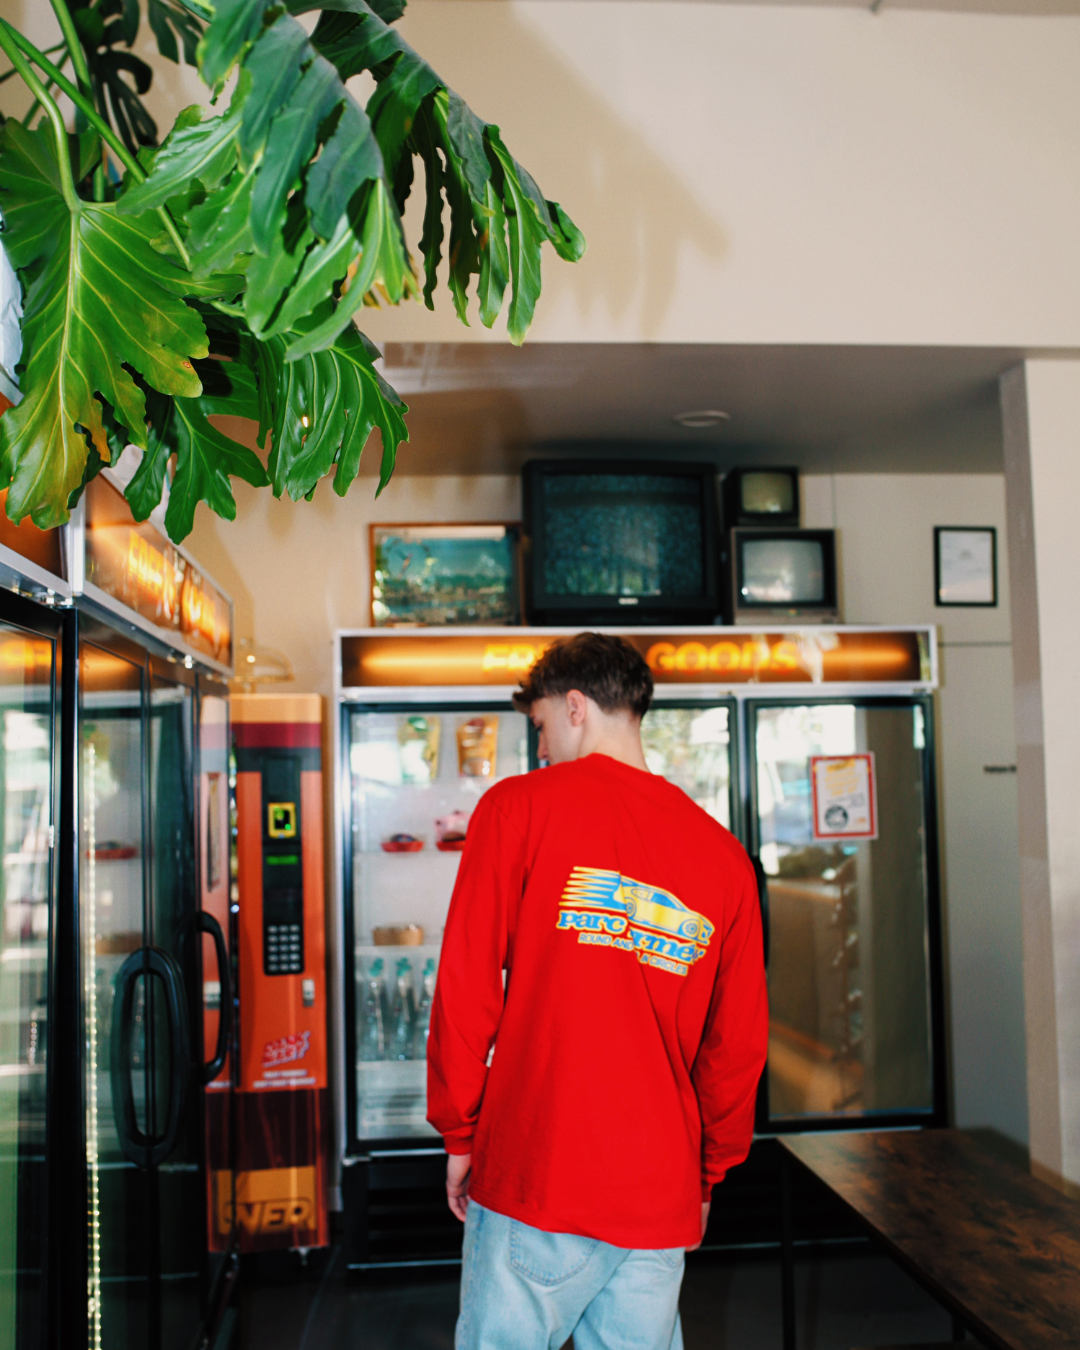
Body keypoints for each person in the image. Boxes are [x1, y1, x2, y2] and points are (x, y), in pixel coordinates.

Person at [427, 632, 768, 1350]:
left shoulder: (517, 808)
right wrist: (705, 1178)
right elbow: (736, 1049)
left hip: (539, 1172)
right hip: (658, 1194)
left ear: (576, 706)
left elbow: (466, 986)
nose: (543, 748)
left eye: (543, 727)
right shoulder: (725, 858)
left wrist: (461, 1131)